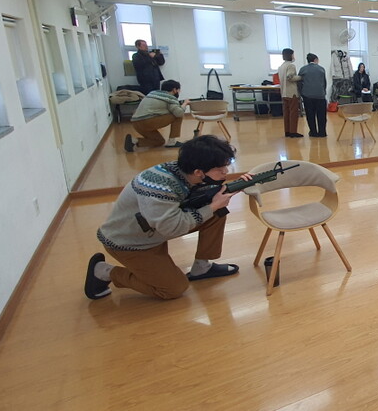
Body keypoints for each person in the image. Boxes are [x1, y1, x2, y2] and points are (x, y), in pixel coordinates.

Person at [85, 135, 253, 300]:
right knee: (173, 288)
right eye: (220, 169)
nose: (226, 172)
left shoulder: (185, 170)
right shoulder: (159, 188)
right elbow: (172, 227)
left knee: (216, 213)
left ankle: (202, 267)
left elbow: (199, 195)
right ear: (198, 172)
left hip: (153, 231)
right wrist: (213, 206)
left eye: (226, 166)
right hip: (130, 243)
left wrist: (234, 186)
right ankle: (104, 271)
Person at [124, 79, 188, 152]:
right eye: (179, 90)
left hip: (135, 122)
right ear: (174, 90)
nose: (179, 92)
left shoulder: (152, 94)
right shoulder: (170, 98)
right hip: (147, 121)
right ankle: (172, 142)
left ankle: (134, 141)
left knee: (159, 141)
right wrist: (185, 103)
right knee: (178, 116)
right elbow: (179, 113)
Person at [299, 53, 328, 137]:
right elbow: (324, 82)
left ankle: (313, 132)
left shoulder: (303, 69)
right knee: (321, 115)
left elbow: (299, 82)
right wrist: (323, 92)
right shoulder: (321, 69)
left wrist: (302, 93)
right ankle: (322, 132)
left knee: (310, 115)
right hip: (320, 95)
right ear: (315, 60)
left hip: (307, 95)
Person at [278, 48, 303, 138]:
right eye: (293, 54)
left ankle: (287, 131)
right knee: (293, 113)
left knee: (286, 113)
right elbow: (290, 77)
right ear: (290, 55)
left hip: (284, 92)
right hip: (292, 93)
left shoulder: (281, 66)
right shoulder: (291, 66)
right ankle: (293, 132)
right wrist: (300, 77)